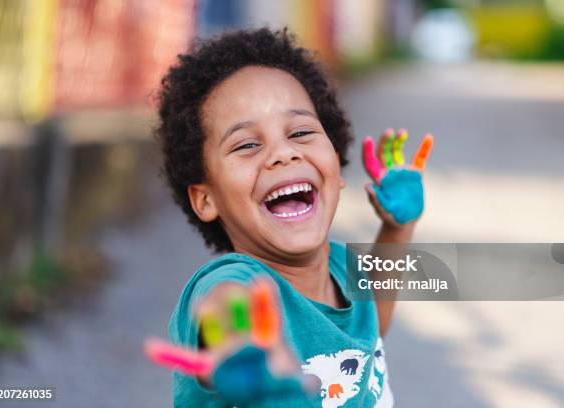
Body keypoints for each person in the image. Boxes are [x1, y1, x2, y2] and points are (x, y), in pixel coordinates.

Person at [156, 26, 432, 407]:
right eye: (248, 144)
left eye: (301, 132)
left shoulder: (343, 265)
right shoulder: (234, 280)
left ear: (335, 161)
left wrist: (398, 228)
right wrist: (244, 352)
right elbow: (224, 303)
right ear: (205, 199)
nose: (283, 154)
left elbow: (372, 330)